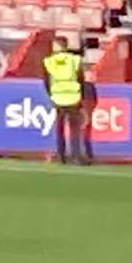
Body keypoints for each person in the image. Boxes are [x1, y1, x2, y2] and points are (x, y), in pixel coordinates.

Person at [43, 36, 89, 166]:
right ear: (66, 46)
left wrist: (52, 94)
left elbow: (46, 81)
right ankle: (76, 156)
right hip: (73, 98)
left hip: (57, 99)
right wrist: (80, 95)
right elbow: (81, 79)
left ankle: (60, 155)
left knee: (59, 129)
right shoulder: (74, 60)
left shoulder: (49, 61)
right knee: (75, 130)